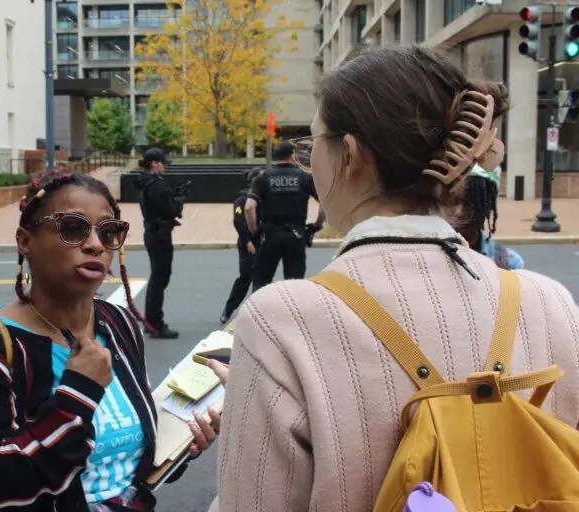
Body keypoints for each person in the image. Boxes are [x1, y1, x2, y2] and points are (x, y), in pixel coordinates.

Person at [211, 45, 579, 511]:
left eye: (312, 144)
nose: (309, 160)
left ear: (350, 154)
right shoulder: (550, 302)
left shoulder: (280, 323)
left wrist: (254, 413)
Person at [0, 170, 219, 512]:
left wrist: (182, 446)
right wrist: (78, 394)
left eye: (108, 232)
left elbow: (131, 467)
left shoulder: (119, 324)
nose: (95, 244)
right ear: (25, 241)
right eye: (72, 228)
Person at [246, 140, 325, 291]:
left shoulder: (262, 178)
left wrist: (255, 231)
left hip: (269, 236)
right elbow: (324, 205)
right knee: (294, 286)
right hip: (296, 236)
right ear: (292, 156)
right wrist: (316, 225)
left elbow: (249, 207)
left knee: (261, 284)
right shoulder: (305, 178)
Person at [134, 147, 187, 339]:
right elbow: (170, 210)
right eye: (163, 163)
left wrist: (173, 195)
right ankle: (155, 323)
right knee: (160, 278)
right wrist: (179, 200)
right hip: (160, 234)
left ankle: (152, 321)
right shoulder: (157, 184)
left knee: (157, 277)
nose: (165, 167)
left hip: (152, 232)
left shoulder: (145, 182)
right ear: (155, 164)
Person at [454, 165, 524, 270]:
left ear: (487, 206)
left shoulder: (508, 263)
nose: (458, 212)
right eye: (450, 203)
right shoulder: (429, 257)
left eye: (470, 204)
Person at [219, 167, 264, 324]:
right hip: (248, 243)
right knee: (245, 277)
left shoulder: (266, 196)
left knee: (261, 279)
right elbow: (238, 221)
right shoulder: (242, 199)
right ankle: (228, 310)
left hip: (264, 241)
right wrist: (248, 241)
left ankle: (257, 314)